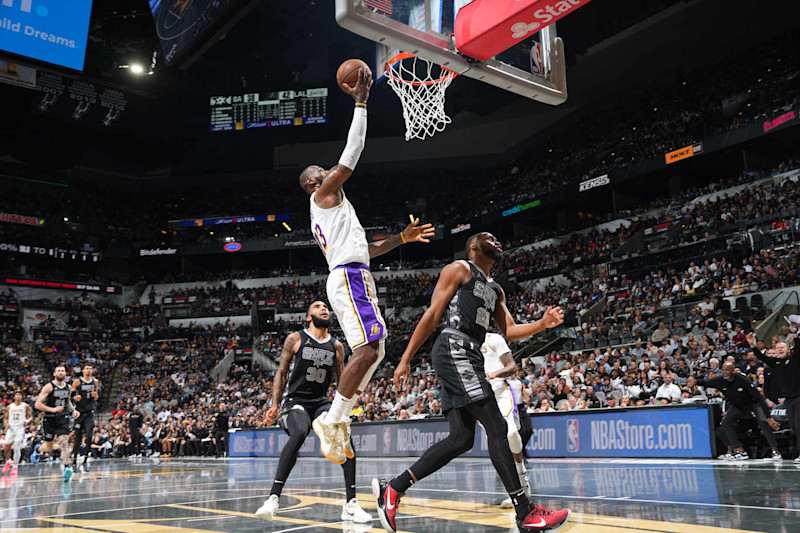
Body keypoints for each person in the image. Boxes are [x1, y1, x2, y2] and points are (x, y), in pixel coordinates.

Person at [373, 233, 570, 533]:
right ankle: (525, 512)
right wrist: (405, 358)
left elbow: (511, 330)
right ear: (474, 246)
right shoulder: (460, 269)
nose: (497, 240)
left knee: (462, 438)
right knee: (497, 425)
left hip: (468, 353)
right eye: (490, 237)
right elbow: (433, 313)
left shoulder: (496, 290)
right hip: (455, 346)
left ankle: (394, 489)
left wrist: (542, 324)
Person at [299, 66, 435, 464]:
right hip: (348, 278)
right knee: (371, 346)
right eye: (320, 172)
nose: (327, 172)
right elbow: (352, 155)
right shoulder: (323, 194)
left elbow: (367, 250)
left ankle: (338, 417)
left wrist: (401, 239)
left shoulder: (335, 211)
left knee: (375, 349)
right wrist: (361, 103)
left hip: (354, 271)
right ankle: (334, 418)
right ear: (313, 182)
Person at [255, 301, 371, 523]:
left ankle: (351, 504)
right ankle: (273, 499)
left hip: (320, 402)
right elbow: (281, 373)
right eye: (317, 307)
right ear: (309, 317)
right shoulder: (295, 339)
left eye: (325, 307)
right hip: (295, 401)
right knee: (300, 431)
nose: (324, 309)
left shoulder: (336, 346)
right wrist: (274, 404)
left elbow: (342, 379)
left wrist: (345, 409)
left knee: (344, 438)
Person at [481, 332, 531, 508]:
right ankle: (515, 492)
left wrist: (495, 373)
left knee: (510, 433)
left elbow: (511, 367)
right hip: (479, 398)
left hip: (500, 391)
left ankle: (523, 480)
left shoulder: (493, 339)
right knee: (498, 445)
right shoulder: (461, 343)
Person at [697, 362, 782, 461]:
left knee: (763, 422)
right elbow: (706, 383)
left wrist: (768, 417)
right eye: (723, 370)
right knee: (726, 423)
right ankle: (740, 451)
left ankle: (775, 451)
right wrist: (695, 381)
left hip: (753, 403)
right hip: (739, 405)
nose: (724, 372)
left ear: (733, 371)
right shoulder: (720, 381)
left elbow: (759, 398)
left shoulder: (743, 380)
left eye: (727, 370)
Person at [747, 325, 800, 463]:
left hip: (799, 397)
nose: (780, 349)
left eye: (782, 347)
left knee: (799, 427)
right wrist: (752, 345)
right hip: (788, 400)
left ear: (789, 349)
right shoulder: (776, 363)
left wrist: (796, 335)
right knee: (794, 428)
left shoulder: (794, 360)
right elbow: (760, 356)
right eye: (777, 348)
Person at [34, 365, 79, 482]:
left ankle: (66, 468)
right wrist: (52, 409)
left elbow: (67, 401)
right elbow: (37, 404)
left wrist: (73, 410)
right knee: (49, 447)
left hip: (63, 419)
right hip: (49, 419)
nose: (61, 373)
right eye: (58, 371)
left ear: (65, 373)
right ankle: (38, 449)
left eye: (63, 371)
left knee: (64, 443)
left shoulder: (68, 387)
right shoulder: (49, 387)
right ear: (54, 373)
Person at [70, 363, 100, 471]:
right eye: (87, 368)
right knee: (77, 437)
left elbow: (96, 397)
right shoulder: (77, 381)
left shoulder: (95, 382)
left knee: (89, 434)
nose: (88, 370)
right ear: (83, 370)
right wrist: (75, 398)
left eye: (90, 369)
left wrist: (96, 396)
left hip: (89, 412)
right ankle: (74, 457)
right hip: (79, 413)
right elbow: (71, 397)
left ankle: (86, 456)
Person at [2, 392, 31, 477]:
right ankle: (8, 461)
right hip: (11, 428)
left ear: (22, 397)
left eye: (20, 395)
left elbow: (30, 416)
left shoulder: (25, 406)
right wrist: (6, 424)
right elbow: (5, 418)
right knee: (6, 447)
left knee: (17, 447)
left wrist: (27, 421)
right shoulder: (9, 407)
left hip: (19, 427)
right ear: (14, 397)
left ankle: (15, 466)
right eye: (16, 395)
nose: (18, 396)